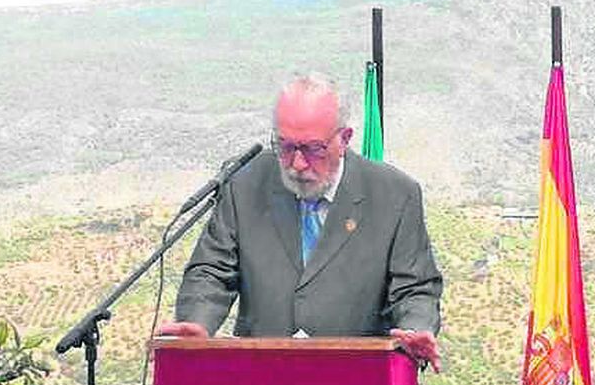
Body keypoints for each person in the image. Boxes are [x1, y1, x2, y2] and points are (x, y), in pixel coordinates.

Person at [156, 74, 443, 369]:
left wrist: (416, 327)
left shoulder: (394, 194)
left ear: (344, 138)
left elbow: (415, 288)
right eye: (286, 146)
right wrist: (197, 322)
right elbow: (212, 270)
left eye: (312, 149)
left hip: (357, 382)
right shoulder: (244, 183)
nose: (297, 164)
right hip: (261, 380)